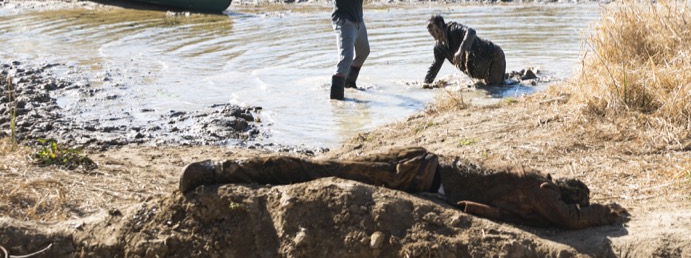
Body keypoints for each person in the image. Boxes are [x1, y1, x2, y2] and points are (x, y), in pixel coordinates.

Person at [178, 146, 628, 230]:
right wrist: (606, 212)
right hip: (415, 172)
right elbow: (572, 220)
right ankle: (222, 169)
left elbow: (482, 207)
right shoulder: (541, 188)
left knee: (318, 169)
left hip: (422, 170)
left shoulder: (528, 190)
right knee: (317, 170)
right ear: (561, 191)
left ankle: (224, 170)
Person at [306, 0, 375, 100]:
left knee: (364, 52)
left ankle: (349, 83)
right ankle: (337, 100)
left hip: (359, 20)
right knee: (346, 58)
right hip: (344, 21)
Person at [424, 14, 506, 86]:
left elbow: (471, 32)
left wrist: (460, 51)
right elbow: (434, 68)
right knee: (487, 89)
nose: (430, 31)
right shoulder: (439, 48)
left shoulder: (454, 29)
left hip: (494, 56)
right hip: (481, 70)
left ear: (440, 24)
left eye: (431, 27)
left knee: (495, 89)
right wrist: (425, 85)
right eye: (428, 29)